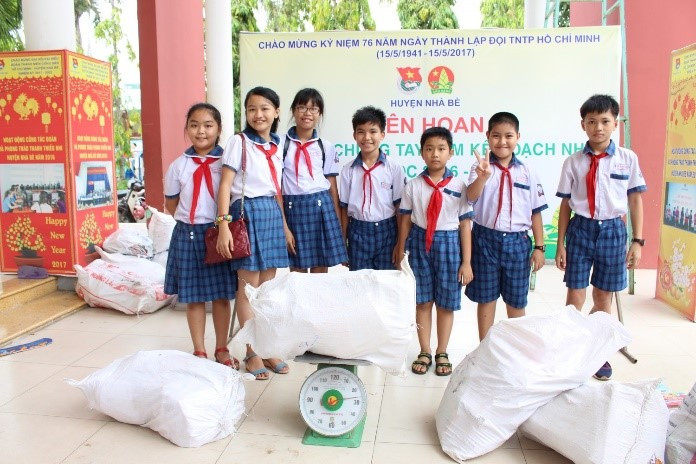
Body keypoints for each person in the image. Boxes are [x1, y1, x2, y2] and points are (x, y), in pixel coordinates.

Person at [555, 94, 646, 381]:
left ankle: (597, 353)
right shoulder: (574, 162)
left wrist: (637, 241)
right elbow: (566, 204)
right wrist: (560, 243)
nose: (598, 128)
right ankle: (571, 351)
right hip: (581, 229)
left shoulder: (627, 159)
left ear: (615, 123)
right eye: (592, 122)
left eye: (605, 121)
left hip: (613, 231)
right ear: (583, 125)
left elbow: (635, 201)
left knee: (603, 296)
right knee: (575, 294)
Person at [216, 86, 291, 380]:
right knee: (248, 289)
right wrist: (223, 224)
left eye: (264, 108)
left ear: (276, 112)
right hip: (246, 214)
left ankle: (268, 347)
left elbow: (277, 190)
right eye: (251, 109)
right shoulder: (239, 142)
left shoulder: (275, 146)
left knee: (268, 290)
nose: (258, 114)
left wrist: (284, 225)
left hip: (271, 214)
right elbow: (225, 185)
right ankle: (251, 351)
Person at [163, 102, 239, 370]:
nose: (201, 131)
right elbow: (171, 204)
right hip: (188, 234)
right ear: (186, 129)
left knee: (220, 296)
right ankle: (199, 350)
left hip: (219, 233)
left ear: (219, 129)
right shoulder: (178, 166)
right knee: (193, 297)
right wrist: (190, 223)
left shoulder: (227, 163)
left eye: (208, 125)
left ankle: (221, 347)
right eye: (194, 125)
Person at [396, 127, 473, 376]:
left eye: (441, 149)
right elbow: (406, 219)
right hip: (420, 242)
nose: (435, 154)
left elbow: (464, 224)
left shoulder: (460, 186)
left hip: (450, 244)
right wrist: (401, 247)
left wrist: (467, 262)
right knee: (422, 300)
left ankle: (442, 351)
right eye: (429, 149)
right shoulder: (414, 185)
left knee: (446, 303)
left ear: (451, 153)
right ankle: (424, 350)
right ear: (421, 153)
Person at [465, 112, 548, 341]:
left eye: (508, 136)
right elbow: (470, 198)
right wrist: (482, 177)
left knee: (516, 300)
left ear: (518, 137)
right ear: (487, 137)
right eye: (496, 136)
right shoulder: (478, 166)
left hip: (517, 243)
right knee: (486, 298)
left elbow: (536, 212)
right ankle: (485, 348)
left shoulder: (527, 171)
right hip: (484, 240)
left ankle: (517, 350)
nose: (502, 142)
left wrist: (539, 248)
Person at [281, 88, 347, 273]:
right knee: (297, 272)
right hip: (293, 208)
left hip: (321, 207)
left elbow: (332, 187)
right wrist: (284, 225)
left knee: (321, 270)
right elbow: (277, 187)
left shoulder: (326, 146)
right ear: (293, 111)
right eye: (302, 107)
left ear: (320, 114)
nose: (307, 113)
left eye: (313, 109)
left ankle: (319, 303)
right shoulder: (280, 145)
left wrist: (337, 222)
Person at [338, 106, 406, 270]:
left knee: (386, 282)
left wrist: (400, 244)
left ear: (382, 134)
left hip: (387, 231)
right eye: (361, 132)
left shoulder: (394, 168)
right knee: (359, 284)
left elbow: (399, 209)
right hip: (358, 232)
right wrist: (342, 243)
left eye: (373, 131)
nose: (367, 137)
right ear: (354, 135)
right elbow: (344, 210)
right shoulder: (348, 170)